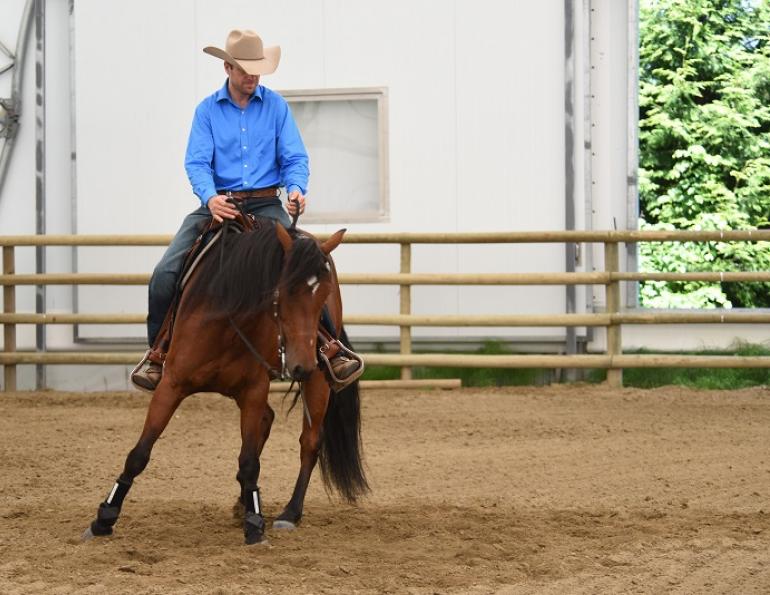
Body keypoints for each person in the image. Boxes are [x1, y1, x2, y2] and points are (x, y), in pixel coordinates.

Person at [131, 29, 361, 392]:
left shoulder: (276, 107)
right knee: (165, 272)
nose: (253, 76)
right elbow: (197, 163)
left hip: (267, 204)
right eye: (245, 70)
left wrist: (296, 189)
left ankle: (330, 348)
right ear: (227, 67)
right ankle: (158, 353)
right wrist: (210, 198)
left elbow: (295, 157)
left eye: (257, 70)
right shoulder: (207, 111)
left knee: (306, 266)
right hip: (218, 204)